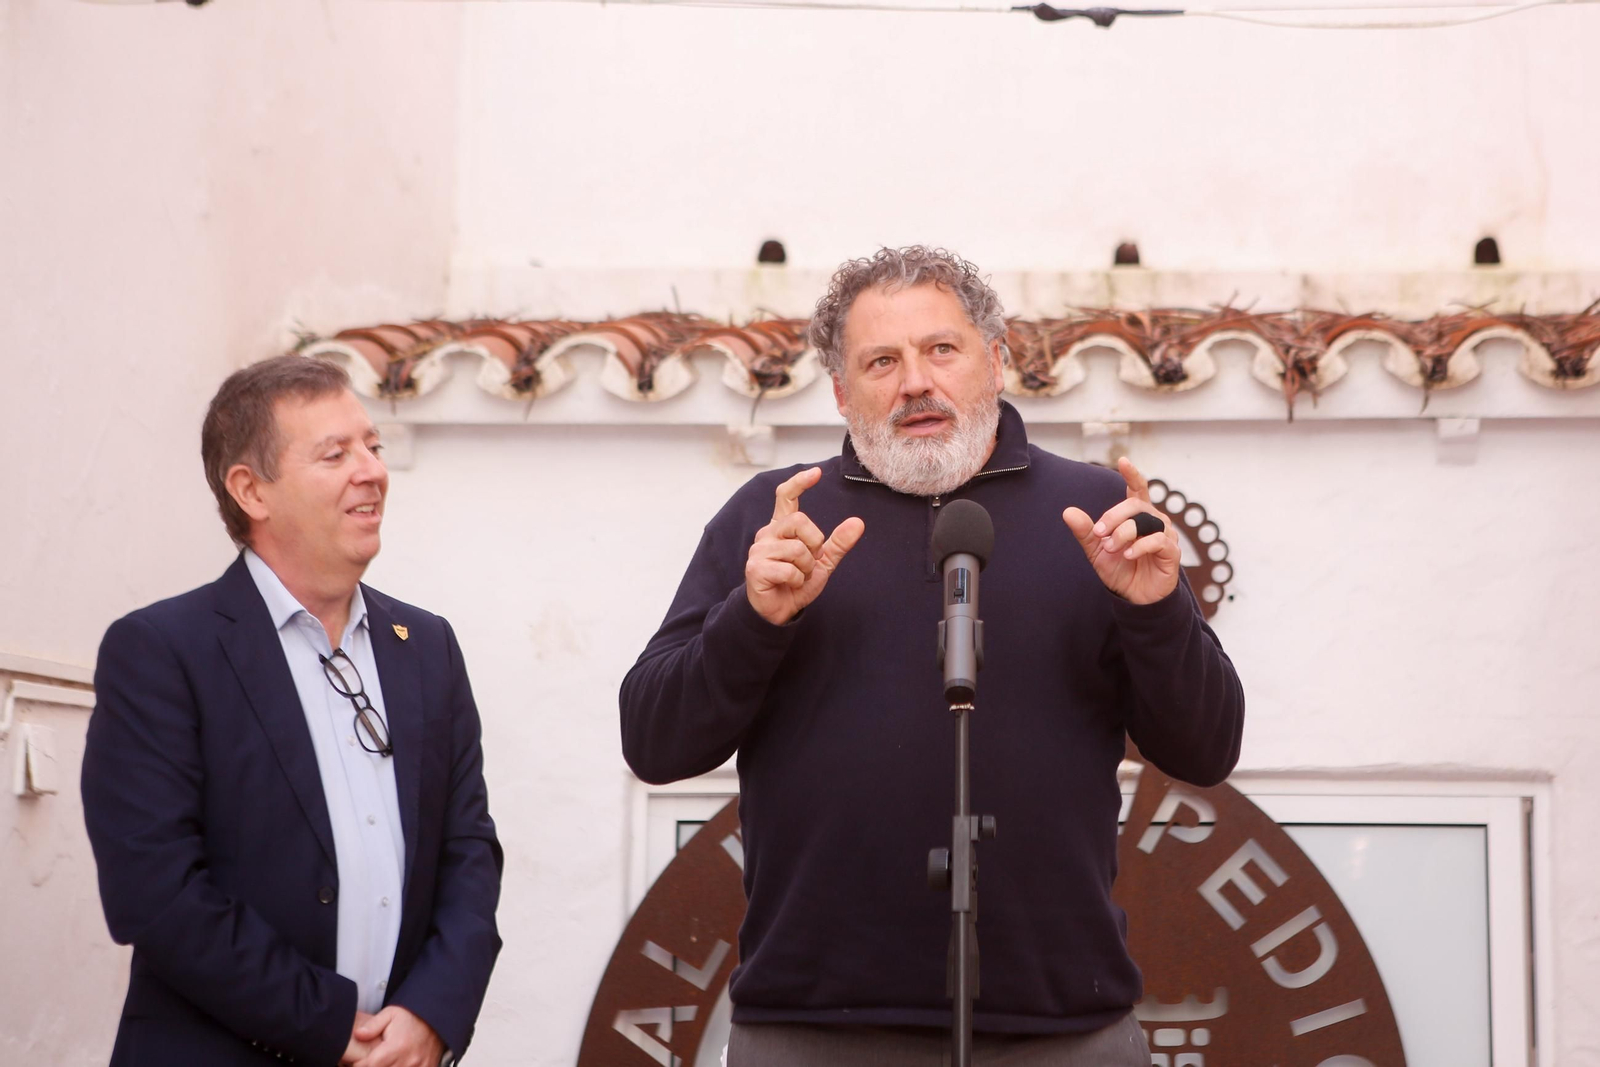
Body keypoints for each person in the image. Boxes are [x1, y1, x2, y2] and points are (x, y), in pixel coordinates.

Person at [620, 246, 1245, 1065]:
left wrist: (1157, 612)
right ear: (843, 392)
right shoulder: (776, 521)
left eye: (940, 350)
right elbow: (655, 741)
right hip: (811, 1026)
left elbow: (1207, 747)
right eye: (882, 360)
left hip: (1063, 1027)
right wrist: (753, 618)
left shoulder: (1094, 513)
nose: (915, 381)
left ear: (996, 359)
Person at [82, 355, 502, 1067]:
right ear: (251, 490)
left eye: (373, 445)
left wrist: (431, 1013)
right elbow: (156, 895)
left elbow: (469, 854)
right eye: (335, 454)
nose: (370, 470)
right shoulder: (161, 651)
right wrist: (335, 1026)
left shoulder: (426, 645)